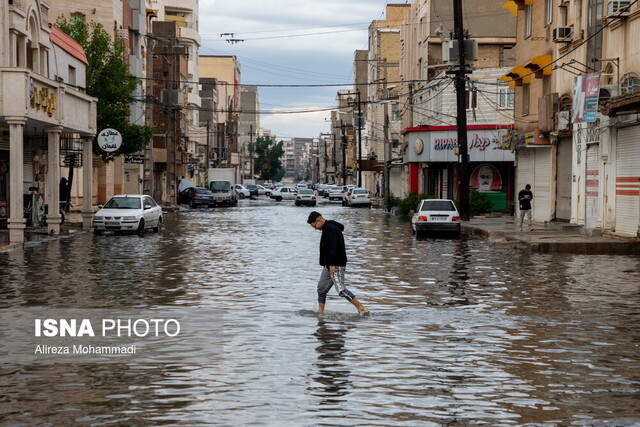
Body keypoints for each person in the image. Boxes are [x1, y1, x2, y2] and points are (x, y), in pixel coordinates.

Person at [307, 211, 368, 314]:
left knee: (341, 290)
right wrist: (327, 264)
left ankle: (362, 308)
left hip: (335, 264)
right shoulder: (327, 227)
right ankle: (320, 313)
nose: (315, 228)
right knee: (321, 289)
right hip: (328, 265)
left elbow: (332, 247)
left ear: (319, 221)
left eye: (315, 226)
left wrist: (331, 264)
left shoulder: (330, 228)